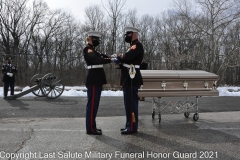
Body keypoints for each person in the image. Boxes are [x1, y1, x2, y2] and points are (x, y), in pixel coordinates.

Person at [114, 26, 144, 134]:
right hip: (128, 80)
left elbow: (126, 57)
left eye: (128, 34)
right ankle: (128, 125)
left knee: (131, 105)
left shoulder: (137, 46)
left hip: (132, 80)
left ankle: (132, 127)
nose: (126, 36)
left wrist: (120, 57)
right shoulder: (132, 46)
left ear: (134, 34)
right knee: (128, 105)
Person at [83, 31, 112, 135]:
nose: (98, 42)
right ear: (90, 38)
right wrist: (111, 60)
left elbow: (104, 56)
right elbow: (97, 60)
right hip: (94, 80)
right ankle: (90, 129)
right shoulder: (88, 49)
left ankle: (93, 126)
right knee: (92, 106)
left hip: (97, 80)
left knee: (95, 106)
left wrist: (112, 57)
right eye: (96, 39)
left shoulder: (94, 50)